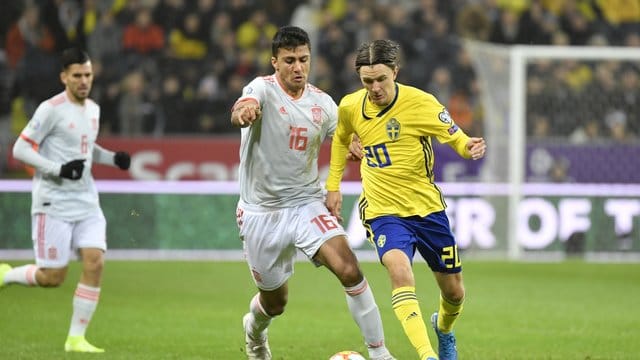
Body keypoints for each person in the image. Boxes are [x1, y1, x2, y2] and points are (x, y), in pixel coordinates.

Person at [231, 26, 395, 360]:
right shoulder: (261, 89)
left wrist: (356, 146)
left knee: (350, 269)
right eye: (289, 60)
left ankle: (380, 354)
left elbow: (347, 136)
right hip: (261, 213)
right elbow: (242, 106)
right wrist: (243, 113)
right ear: (274, 62)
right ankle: (254, 331)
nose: (297, 67)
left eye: (303, 59)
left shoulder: (322, 103)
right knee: (275, 303)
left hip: (307, 203)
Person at [325, 39, 487, 360]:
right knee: (400, 272)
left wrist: (467, 146)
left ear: (395, 72)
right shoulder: (349, 107)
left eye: (381, 79)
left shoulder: (420, 103)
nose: (374, 87)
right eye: (367, 81)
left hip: (427, 209)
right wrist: (334, 185)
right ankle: (427, 355)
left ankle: (443, 328)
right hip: (382, 210)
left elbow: (453, 135)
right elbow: (341, 138)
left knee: (454, 292)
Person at [0, 48, 131, 353]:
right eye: (77, 75)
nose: (84, 81)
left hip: (86, 199)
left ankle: (76, 339)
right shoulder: (50, 109)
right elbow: (20, 149)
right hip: (53, 202)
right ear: (64, 77)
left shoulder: (93, 109)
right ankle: (6, 274)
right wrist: (57, 169)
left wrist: (113, 158)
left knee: (95, 261)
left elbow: (85, 147)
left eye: (88, 75)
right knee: (52, 277)